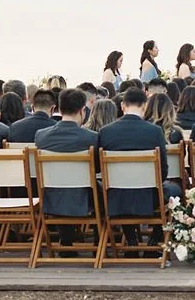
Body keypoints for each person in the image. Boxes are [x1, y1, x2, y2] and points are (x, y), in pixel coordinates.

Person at [98, 88, 181, 246]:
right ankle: (155, 238)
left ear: (122, 106)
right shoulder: (154, 131)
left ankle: (131, 240)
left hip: (115, 196)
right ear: (144, 106)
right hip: (149, 196)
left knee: (122, 189)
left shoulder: (106, 132)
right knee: (176, 190)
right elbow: (163, 171)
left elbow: (98, 168)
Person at [34, 89, 99, 253]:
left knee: (60, 185)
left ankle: (66, 239)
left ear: (59, 109)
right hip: (84, 196)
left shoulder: (41, 136)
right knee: (101, 189)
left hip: (52, 195)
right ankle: (98, 243)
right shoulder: (91, 137)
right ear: (82, 110)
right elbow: (97, 168)